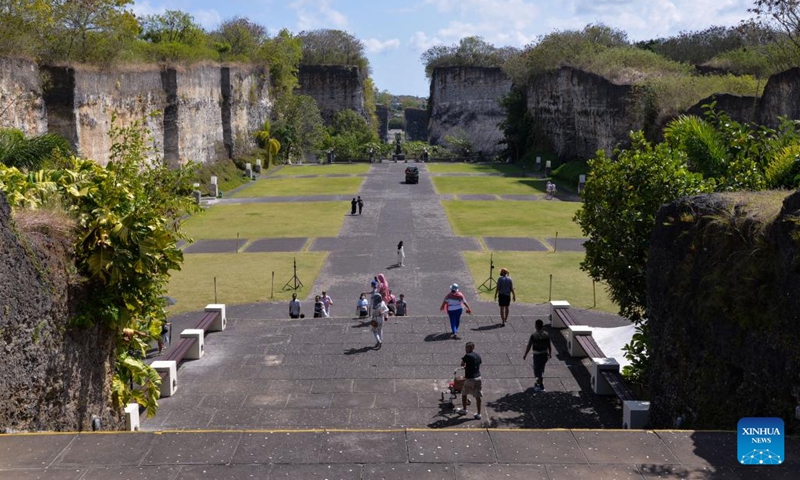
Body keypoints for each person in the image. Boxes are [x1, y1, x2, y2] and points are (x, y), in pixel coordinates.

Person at [455, 341, 483, 420]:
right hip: (478, 378)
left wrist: (465, 366)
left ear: (470, 348)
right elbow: (476, 365)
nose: (465, 349)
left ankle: (464, 410)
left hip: (470, 378)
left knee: (464, 393)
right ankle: (478, 413)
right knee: (478, 396)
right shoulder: (478, 355)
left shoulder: (467, 356)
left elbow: (462, 364)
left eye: (466, 348)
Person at [523, 319, 552, 392]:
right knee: (541, 368)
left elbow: (529, 346)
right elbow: (549, 345)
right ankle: (540, 382)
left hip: (537, 354)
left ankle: (540, 384)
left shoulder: (533, 335)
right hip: (544, 354)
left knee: (537, 370)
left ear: (536, 326)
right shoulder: (546, 334)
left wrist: (525, 354)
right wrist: (550, 353)